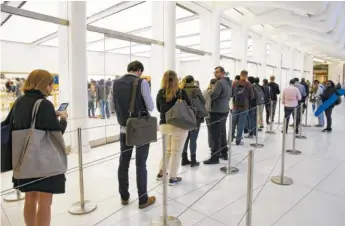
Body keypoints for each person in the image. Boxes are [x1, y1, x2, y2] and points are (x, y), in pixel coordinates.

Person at [1, 69, 68, 226]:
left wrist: (53, 114)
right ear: (45, 84)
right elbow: (57, 132)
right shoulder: (44, 104)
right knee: (45, 201)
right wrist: (63, 119)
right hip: (43, 162)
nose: (52, 87)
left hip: (23, 159)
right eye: (51, 83)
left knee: (30, 199)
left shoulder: (19, 100)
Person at [113, 61, 156, 209]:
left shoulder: (116, 83)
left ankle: (124, 197)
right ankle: (143, 199)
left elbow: (113, 106)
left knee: (123, 161)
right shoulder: (142, 82)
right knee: (141, 163)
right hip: (140, 128)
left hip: (124, 128)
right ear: (139, 71)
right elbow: (150, 106)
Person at [156, 70, 191, 185]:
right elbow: (189, 106)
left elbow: (158, 108)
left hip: (164, 125)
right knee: (176, 152)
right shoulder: (180, 92)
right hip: (178, 126)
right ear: (176, 79)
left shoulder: (160, 93)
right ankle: (172, 177)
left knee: (167, 150)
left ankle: (161, 173)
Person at [204, 66, 232, 164]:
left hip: (217, 111)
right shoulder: (229, 83)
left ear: (222, 73)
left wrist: (209, 91)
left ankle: (214, 157)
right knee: (222, 132)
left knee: (215, 135)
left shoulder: (219, 83)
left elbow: (213, 95)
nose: (215, 74)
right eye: (215, 72)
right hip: (224, 110)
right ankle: (224, 153)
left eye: (217, 72)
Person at [180, 75, 206, 168]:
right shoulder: (196, 89)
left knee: (185, 138)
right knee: (193, 138)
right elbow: (204, 101)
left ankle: (184, 158)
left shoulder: (180, 90)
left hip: (184, 117)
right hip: (195, 116)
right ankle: (193, 160)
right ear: (192, 81)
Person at [231, 70, 254, 145]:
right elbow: (252, 96)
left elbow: (231, 94)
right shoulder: (248, 84)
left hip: (235, 106)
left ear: (240, 75)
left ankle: (230, 139)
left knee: (233, 123)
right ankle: (238, 141)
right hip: (244, 107)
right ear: (246, 76)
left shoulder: (235, 83)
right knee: (241, 124)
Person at [203, 78, 218, 151]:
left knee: (210, 131)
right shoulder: (213, 92)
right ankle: (213, 146)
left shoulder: (204, 91)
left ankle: (211, 145)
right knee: (214, 131)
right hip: (213, 114)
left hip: (206, 114)